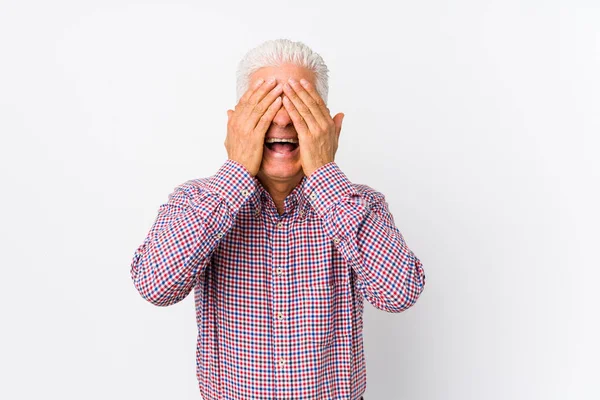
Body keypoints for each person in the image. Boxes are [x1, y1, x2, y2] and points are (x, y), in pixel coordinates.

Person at [130, 38, 426, 400]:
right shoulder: (196, 202)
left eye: (300, 105)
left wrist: (324, 172)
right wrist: (236, 171)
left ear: (331, 127)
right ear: (236, 124)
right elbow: (156, 287)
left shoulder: (361, 206)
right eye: (267, 104)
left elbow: (399, 294)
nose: (284, 119)